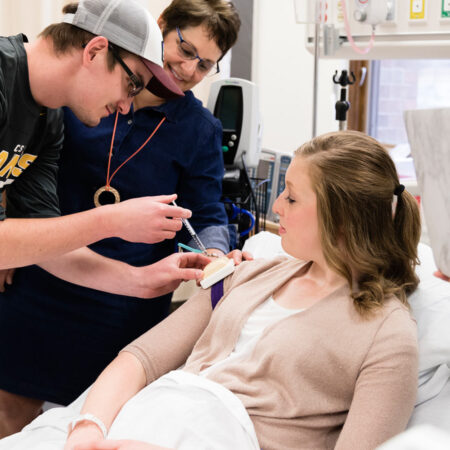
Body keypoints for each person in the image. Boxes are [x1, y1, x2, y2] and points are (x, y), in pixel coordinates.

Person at [0, 130, 422, 450]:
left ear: (342, 219)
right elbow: (139, 360)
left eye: (291, 198)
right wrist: (89, 428)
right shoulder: (251, 275)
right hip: (127, 419)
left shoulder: (386, 336)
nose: (275, 207)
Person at [0, 0, 242, 438]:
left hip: (113, 297)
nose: (190, 70)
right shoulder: (38, 95)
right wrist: (19, 243)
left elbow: (206, 211)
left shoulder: (194, 129)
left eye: (206, 65)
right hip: (37, 291)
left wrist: (170, 270)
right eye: (186, 51)